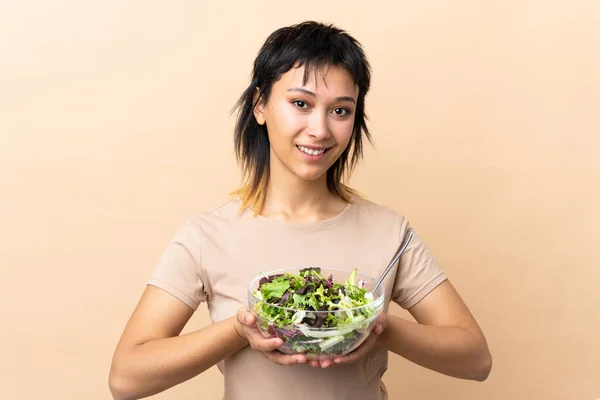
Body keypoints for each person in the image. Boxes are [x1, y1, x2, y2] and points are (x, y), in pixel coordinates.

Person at [108, 20, 492, 400]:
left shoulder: (390, 231)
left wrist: (377, 326)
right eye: (300, 104)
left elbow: (475, 359)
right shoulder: (208, 234)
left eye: (340, 111)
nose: (320, 129)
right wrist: (239, 331)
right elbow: (126, 378)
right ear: (260, 105)